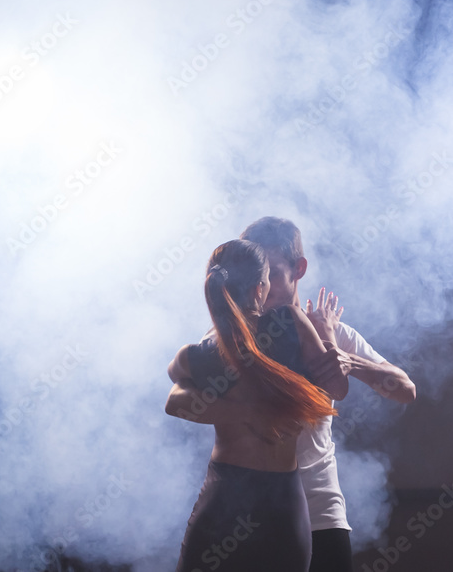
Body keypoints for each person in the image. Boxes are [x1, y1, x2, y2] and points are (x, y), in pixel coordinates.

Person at [167, 217, 416, 572]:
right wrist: (248, 411)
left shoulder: (331, 332)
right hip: (241, 505)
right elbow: (176, 399)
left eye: (272, 274)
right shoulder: (229, 339)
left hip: (319, 512)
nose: (262, 288)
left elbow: (405, 389)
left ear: (299, 269)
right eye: (254, 278)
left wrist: (349, 361)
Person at [167, 239, 349, 572]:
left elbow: (174, 398)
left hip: (224, 497)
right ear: (259, 289)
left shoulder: (202, 352)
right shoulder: (291, 322)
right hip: (283, 504)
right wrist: (328, 335)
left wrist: (241, 409)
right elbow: (336, 389)